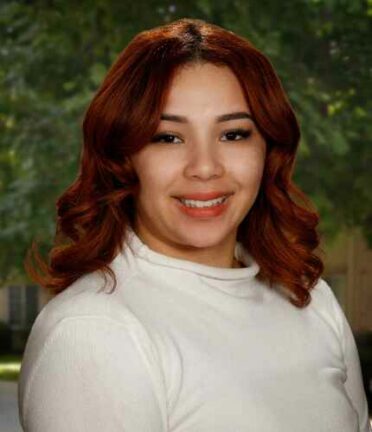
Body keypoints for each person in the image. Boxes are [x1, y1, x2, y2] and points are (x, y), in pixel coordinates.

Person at [18, 18, 371, 432]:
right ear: (123, 156)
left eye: (234, 134)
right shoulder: (92, 332)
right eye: (167, 137)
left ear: (268, 149)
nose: (205, 167)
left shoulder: (312, 302)